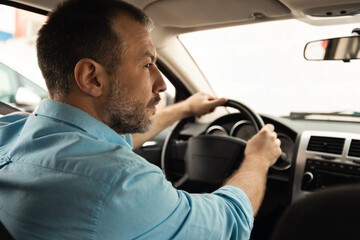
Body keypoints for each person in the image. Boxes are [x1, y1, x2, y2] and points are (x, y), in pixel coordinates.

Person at [0, 0, 281, 239]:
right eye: (147, 65)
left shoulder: (12, 131)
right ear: (92, 77)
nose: (161, 84)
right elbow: (230, 222)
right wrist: (258, 158)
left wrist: (184, 109)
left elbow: (109, 139)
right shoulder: (119, 183)